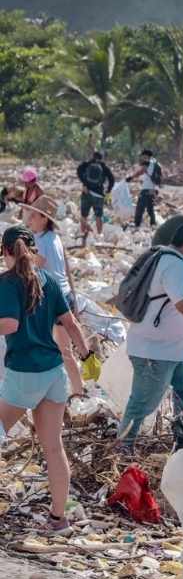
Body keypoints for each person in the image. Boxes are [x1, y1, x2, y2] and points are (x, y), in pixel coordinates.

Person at [0, 225, 91, 533]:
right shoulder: (50, 280)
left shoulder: (7, 283)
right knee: (54, 448)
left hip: (25, 372)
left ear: (5, 251)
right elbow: (70, 322)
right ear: (33, 249)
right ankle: (58, 518)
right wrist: (87, 355)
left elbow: (10, 325)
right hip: (54, 372)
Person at [117, 222, 183, 450]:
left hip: (171, 351)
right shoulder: (175, 264)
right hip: (155, 352)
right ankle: (121, 450)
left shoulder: (166, 259)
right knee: (142, 403)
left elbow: (178, 304)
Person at [26, 202, 82, 399]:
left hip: (51, 299)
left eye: (33, 215)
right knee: (64, 349)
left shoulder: (41, 242)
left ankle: (47, 392)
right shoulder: (54, 238)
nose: (29, 219)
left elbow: (33, 272)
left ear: (44, 219)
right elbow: (66, 269)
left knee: (47, 347)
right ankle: (78, 390)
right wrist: (73, 296)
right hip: (64, 295)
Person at [76, 151, 114, 245]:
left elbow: (78, 170)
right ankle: (99, 235)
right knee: (98, 216)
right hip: (99, 195)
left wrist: (84, 183)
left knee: (84, 215)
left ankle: (83, 234)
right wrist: (108, 190)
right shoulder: (104, 167)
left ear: (93, 156)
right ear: (102, 158)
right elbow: (112, 179)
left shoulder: (88, 164)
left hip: (86, 193)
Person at [132, 150, 163, 231]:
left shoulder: (147, 163)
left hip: (146, 189)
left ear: (146, 156)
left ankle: (137, 225)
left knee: (140, 207)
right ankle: (153, 224)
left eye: (143, 156)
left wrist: (130, 178)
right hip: (153, 189)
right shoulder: (156, 164)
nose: (142, 158)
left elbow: (140, 171)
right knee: (150, 208)